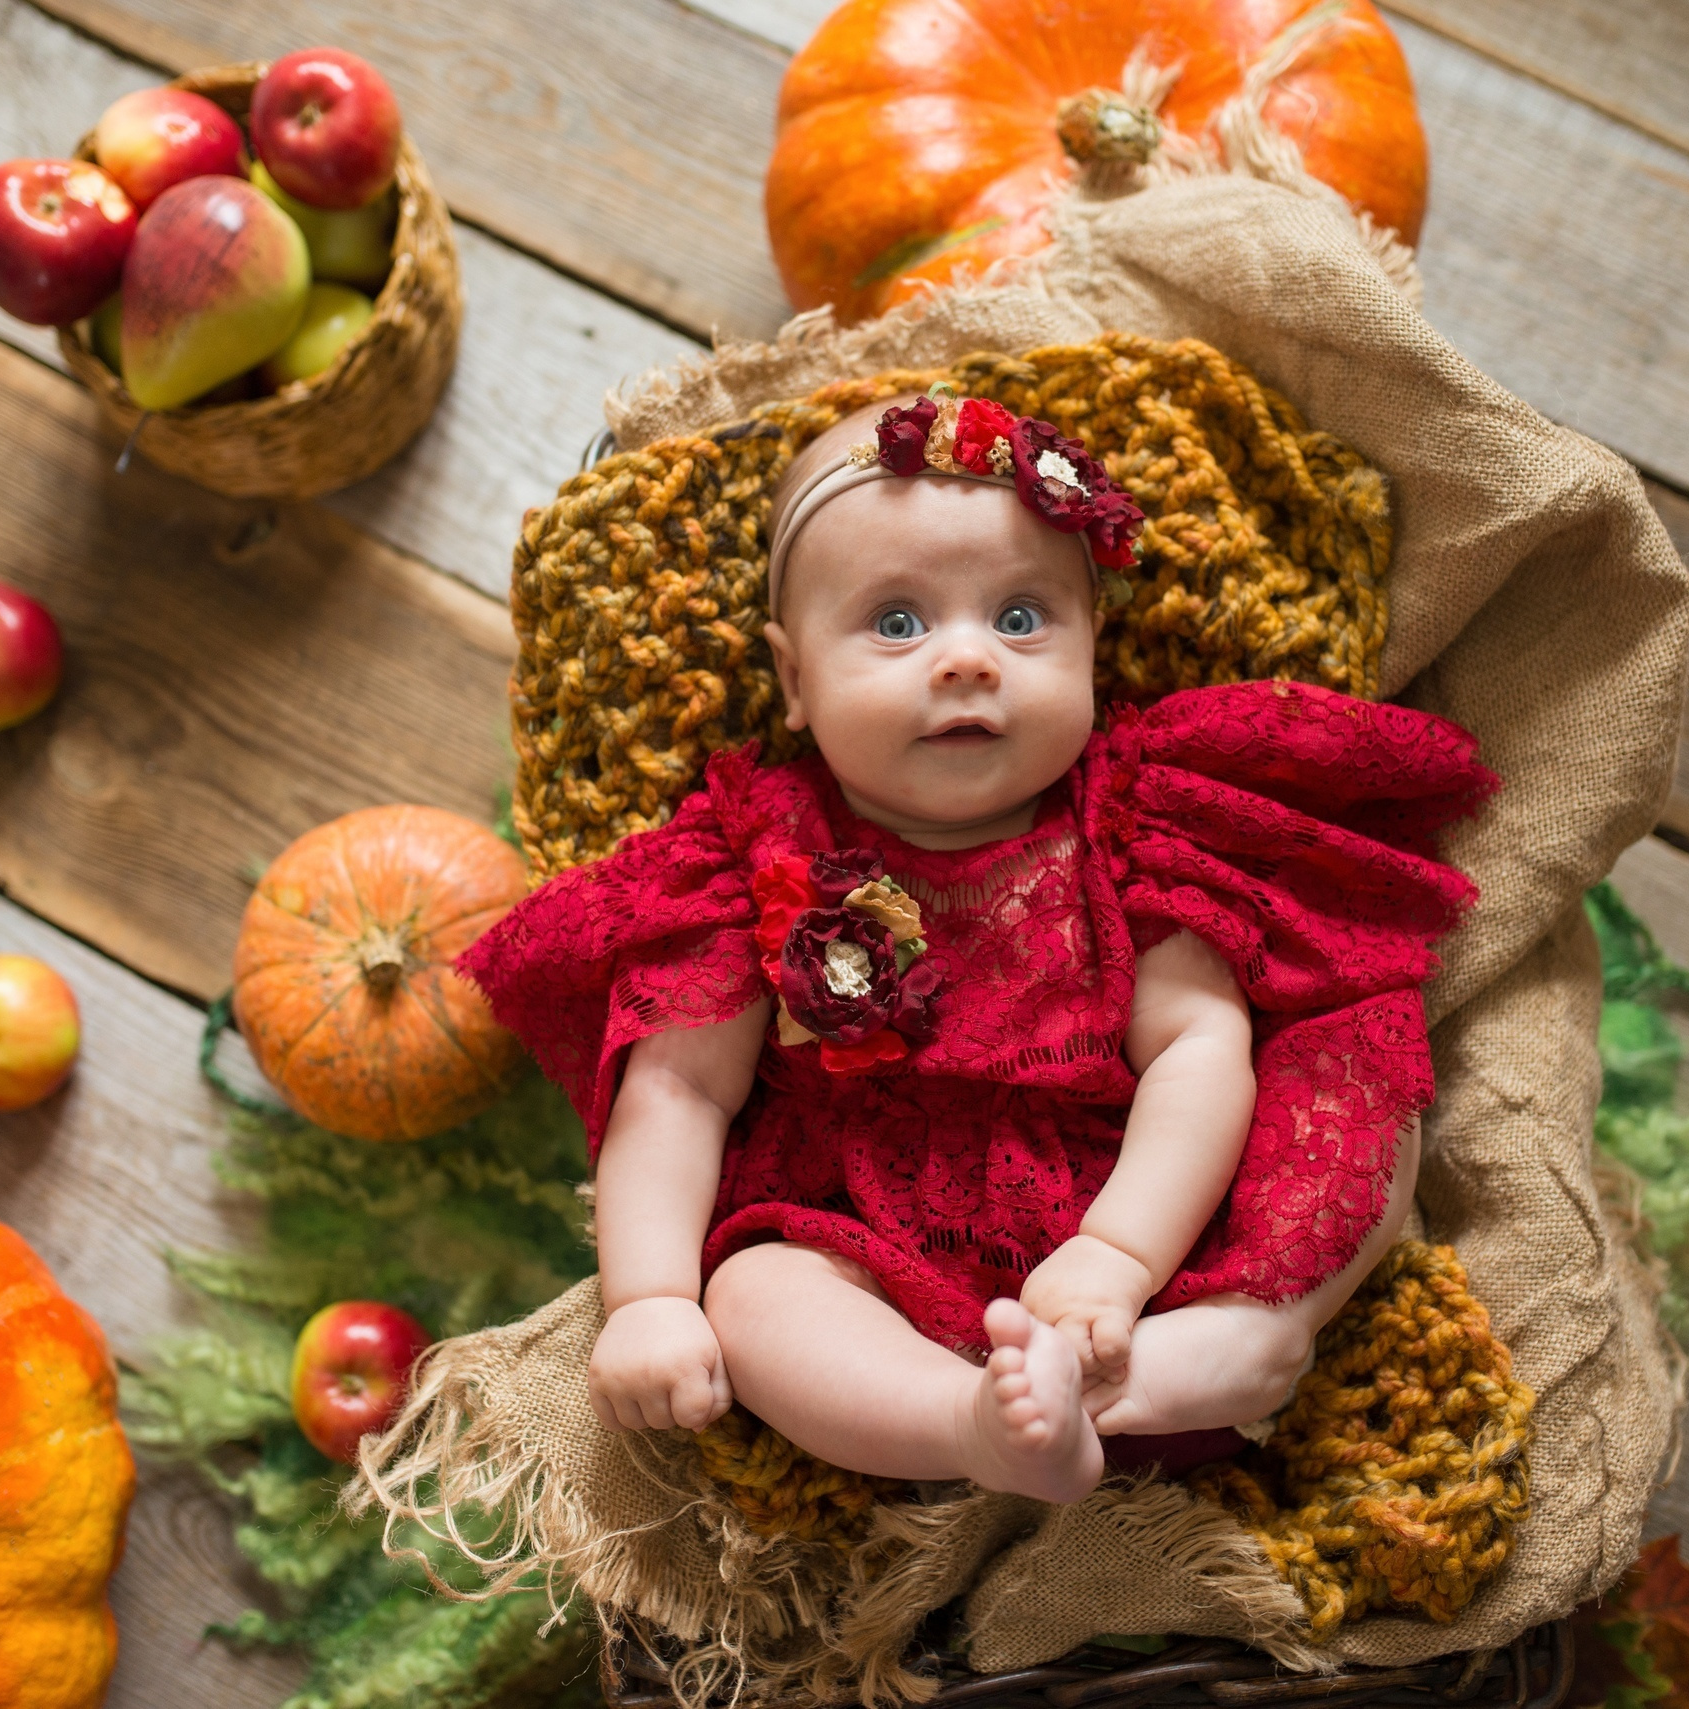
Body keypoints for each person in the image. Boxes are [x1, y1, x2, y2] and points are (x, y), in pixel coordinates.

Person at [460, 392, 1493, 1503]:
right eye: (897, 623)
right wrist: (651, 1297)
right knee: (757, 1293)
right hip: (866, 1234)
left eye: (1020, 617)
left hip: (1149, 1232)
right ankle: (968, 1425)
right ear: (796, 680)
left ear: (1094, 648)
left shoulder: (1137, 820)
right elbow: (675, 1093)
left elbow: (1198, 1048)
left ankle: (1246, 1339)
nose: (966, 659)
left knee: (1353, 1072)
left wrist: (1122, 1255)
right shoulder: (746, 851)